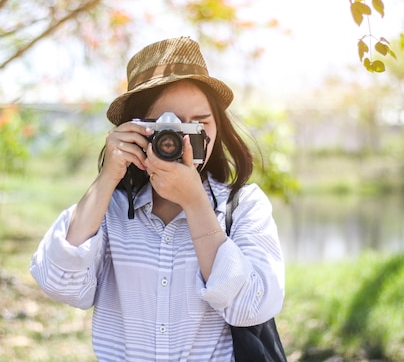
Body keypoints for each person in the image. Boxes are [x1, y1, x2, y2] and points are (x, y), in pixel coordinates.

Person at [30, 36, 285, 361]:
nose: (182, 137)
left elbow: (253, 306)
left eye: (200, 122)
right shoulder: (110, 209)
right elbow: (58, 282)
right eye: (170, 124)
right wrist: (108, 176)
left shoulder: (243, 204)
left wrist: (196, 204)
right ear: (137, 128)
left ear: (217, 126)